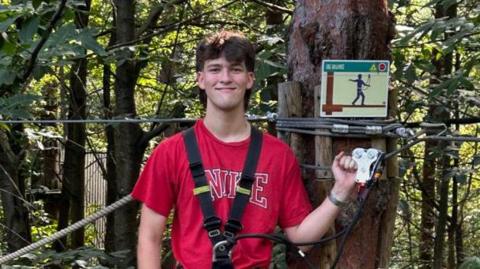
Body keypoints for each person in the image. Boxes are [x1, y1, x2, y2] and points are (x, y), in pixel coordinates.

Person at [133, 30, 358, 269]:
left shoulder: (277, 156)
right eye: (215, 69)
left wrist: (340, 191)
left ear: (249, 78)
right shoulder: (172, 152)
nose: (225, 77)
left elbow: (301, 239)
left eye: (235, 69)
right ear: (201, 79)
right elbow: (150, 236)